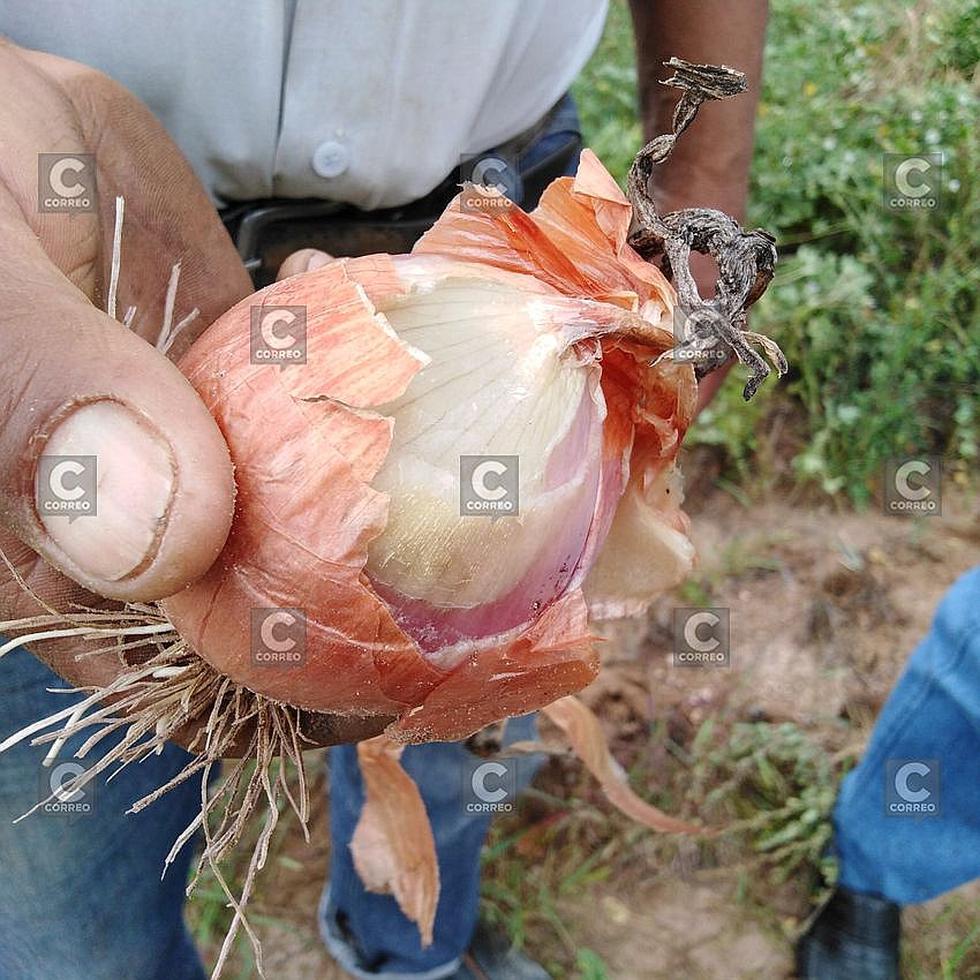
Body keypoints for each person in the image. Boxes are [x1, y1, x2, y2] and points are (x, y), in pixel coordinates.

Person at [0, 2, 767, 977]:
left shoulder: (559, 362)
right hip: (66, 233)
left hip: (505, 216)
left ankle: (404, 949)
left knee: (455, 758)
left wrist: (700, 177)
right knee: (68, 890)